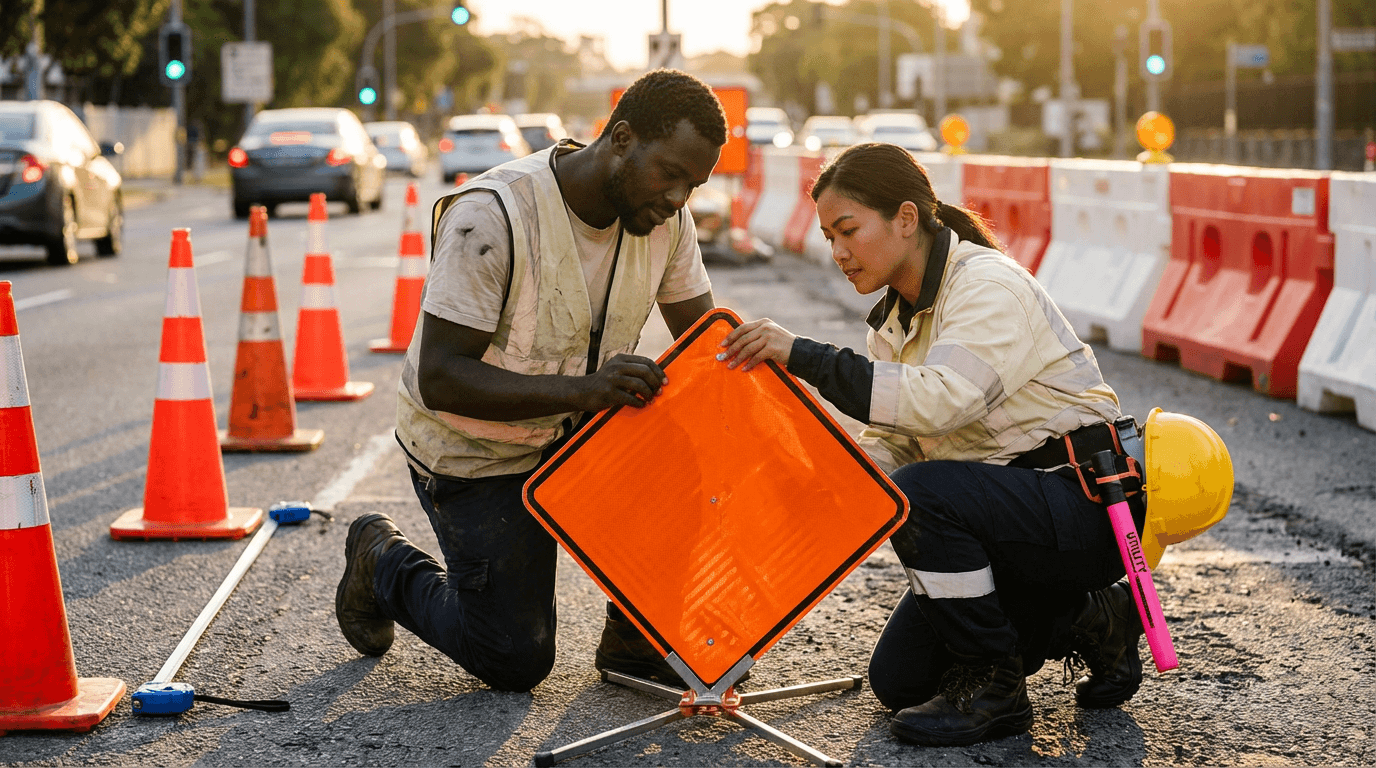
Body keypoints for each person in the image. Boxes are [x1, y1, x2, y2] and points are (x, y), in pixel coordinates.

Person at [717, 142, 1147, 746]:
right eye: (828, 236)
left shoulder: (987, 285)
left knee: (920, 493)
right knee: (900, 683)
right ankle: (1095, 618)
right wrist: (809, 486)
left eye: (848, 231)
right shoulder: (895, 324)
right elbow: (890, 444)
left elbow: (942, 399)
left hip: (1081, 507)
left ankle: (994, 688)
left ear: (906, 218)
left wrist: (803, 356)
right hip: (1004, 517)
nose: (837, 252)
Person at [335, 70, 727, 693]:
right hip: (475, 452)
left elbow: (706, 345)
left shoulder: (665, 223)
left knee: (681, 455)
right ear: (621, 138)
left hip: (575, 438)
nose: (680, 198)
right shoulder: (493, 216)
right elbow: (440, 378)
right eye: (670, 174)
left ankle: (634, 640)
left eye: (694, 184)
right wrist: (585, 392)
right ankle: (382, 562)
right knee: (515, 659)